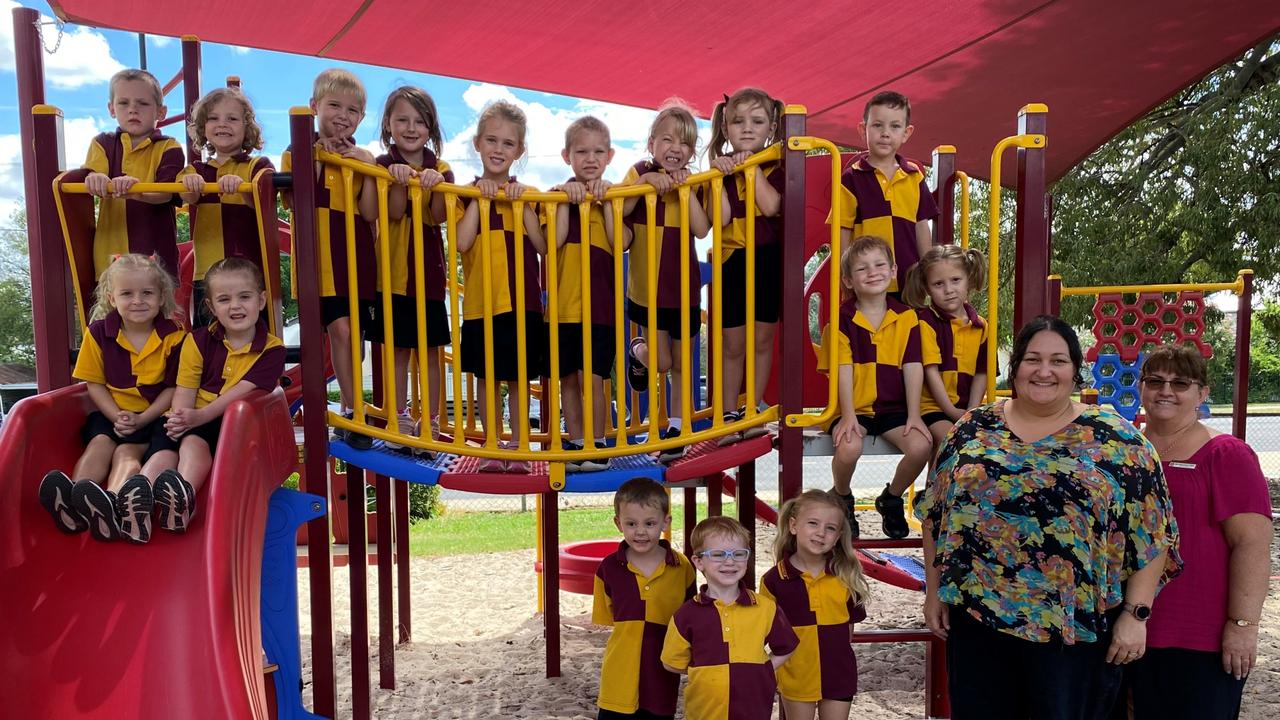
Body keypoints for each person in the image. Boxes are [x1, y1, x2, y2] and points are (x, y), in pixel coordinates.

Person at [916, 315, 1182, 720]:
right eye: (1032, 359)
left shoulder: (1119, 440)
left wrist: (1136, 616)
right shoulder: (971, 430)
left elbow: (1153, 534)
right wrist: (934, 591)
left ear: (1075, 370)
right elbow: (936, 514)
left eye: (1058, 361)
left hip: (1073, 634)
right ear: (1015, 366)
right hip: (977, 622)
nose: (1044, 371)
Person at [1123, 345, 1272, 719]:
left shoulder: (1226, 454)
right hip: (1125, 629)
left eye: (1180, 383)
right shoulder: (1125, 451)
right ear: (1141, 387)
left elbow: (1252, 545)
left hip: (1197, 637)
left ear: (1202, 393)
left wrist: (1243, 625)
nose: (1165, 391)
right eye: (1155, 381)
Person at [38, 254, 185, 544]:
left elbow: (174, 388)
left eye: (147, 293)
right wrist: (115, 414)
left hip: (152, 416)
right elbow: (94, 384)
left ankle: (112, 502)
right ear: (111, 297)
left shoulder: (174, 336)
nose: (137, 301)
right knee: (99, 443)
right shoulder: (99, 334)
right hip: (112, 412)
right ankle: (77, 498)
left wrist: (143, 418)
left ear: (161, 296)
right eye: (127, 293)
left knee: (126, 454)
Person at [135, 257, 286, 535]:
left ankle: (182, 499)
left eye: (245, 297)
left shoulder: (271, 350)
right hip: (190, 414)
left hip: (231, 425)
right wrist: (180, 418)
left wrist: (197, 419)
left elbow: (242, 390)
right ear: (211, 307)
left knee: (193, 445)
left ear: (261, 300)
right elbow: (185, 386)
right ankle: (138, 500)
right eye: (224, 299)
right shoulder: (197, 341)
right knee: (163, 452)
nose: (235, 306)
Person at [281, 68, 379, 449]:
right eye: (334, 105)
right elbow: (294, 200)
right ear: (314, 107)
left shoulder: (360, 158)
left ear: (361, 118)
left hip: (354, 261)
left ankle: (352, 411)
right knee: (331, 334)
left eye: (352, 110)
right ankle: (348, 412)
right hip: (317, 264)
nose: (343, 115)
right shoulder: (296, 152)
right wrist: (317, 157)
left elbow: (369, 211)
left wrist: (367, 165)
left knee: (352, 337)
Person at [816, 235, 932, 539]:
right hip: (856, 406)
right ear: (848, 280)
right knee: (850, 445)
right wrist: (849, 416)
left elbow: (912, 366)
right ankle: (842, 495)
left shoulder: (907, 317)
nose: (873, 272)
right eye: (862, 269)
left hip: (895, 408)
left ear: (894, 271)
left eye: (880, 265)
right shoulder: (842, 319)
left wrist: (915, 415)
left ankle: (891, 497)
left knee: (922, 445)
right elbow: (842, 369)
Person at [454, 100, 547, 473]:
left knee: (518, 377)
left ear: (519, 152)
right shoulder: (464, 195)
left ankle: (519, 445)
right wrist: (480, 200)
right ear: (477, 143)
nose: (498, 150)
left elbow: (541, 245)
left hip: (524, 302)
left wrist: (522, 204)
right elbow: (461, 242)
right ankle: (492, 445)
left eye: (508, 144)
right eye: (491, 141)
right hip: (482, 303)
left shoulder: (529, 195)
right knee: (487, 376)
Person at [619, 100, 712, 463]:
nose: (676, 149)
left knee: (680, 363)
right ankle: (637, 350)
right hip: (647, 290)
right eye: (668, 140)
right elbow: (620, 208)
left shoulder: (693, 183)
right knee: (659, 362)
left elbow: (702, 228)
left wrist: (684, 191)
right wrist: (644, 184)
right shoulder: (638, 171)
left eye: (685, 143)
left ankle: (676, 427)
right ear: (651, 143)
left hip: (684, 290)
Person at [372, 86, 455, 455]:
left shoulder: (441, 168)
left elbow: (438, 215)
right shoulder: (380, 164)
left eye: (419, 121)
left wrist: (433, 187)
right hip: (391, 274)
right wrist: (400, 182)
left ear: (431, 128)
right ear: (389, 125)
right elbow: (390, 211)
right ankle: (400, 416)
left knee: (431, 351)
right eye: (402, 119)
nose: (411, 127)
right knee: (399, 350)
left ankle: (433, 422)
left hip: (429, 275)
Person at [546, 116, 630, 471]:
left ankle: (597, 444)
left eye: (598, 151)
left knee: (593, 378)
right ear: (567, 156)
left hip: (600, 310)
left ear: (610, 155)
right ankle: (577, 441)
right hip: (562, 309)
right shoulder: (554, 198)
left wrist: (606, 203)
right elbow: (554, 241)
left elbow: (621, 242)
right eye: (582, 151)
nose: (590, 158)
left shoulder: (614, 200)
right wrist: (567, 199)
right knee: (567, 377)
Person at [706, 87, 785, 445]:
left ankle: (752, 408)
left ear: (771, 126)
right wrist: (718, 176)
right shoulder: (719, 168)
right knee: (732, 342)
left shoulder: (778, 163)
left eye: (757, 121)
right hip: (731, 259)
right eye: (738, 121)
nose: (747, 128)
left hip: (767, 257)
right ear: (726, 125)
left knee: (763, 337)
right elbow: (718, 218)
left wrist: (750, 168)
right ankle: (726, 414)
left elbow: (770, 207)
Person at [661, 516, 797, 720]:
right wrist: (705, 672)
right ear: (698, 561)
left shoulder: (765, 608)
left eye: (739, 554)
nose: (730, 561)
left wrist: (763, 668)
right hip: (705, 711)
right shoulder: (686, 615)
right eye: (717, 554)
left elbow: (787, 646)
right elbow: (671, 663)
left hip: (754, 710)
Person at [760, 490, 870, 720]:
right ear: (793, 525)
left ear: (839, 535)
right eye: (813, 523)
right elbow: (768, 633)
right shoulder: (774, 580)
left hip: (839, 673)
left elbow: (847, 631)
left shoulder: (845, 576)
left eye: (830, 528)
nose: (821, 533)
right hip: (797, 675)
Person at [592, 478, 696, 720]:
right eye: (631, 523)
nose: (640, 531)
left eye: (650, 523)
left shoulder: (681, 567)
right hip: (618, 675)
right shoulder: (608, 568)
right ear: (618, 523)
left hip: (662, 674)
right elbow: (608, 618)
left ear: (665, 521)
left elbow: (689, 617)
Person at [825, 90, 938, 296]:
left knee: (908, 328)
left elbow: (922, 228)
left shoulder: (914, 177)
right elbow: (842, 232)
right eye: (877, 125)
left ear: (906, 132)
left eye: (895, 126)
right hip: (868, 281)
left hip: (908, 280)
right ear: (863, 130)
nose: (885, 133)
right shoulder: (852, 178)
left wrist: (929, 274)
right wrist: (846, 279)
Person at [179, 87, 275, 327]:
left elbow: (266, 203)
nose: (223, 124)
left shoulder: (256, 166)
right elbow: (186, 195)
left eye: (232, 119)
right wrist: (191, 185)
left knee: (252, 332)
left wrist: (244, 190)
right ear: (203, 128)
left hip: (248, 272)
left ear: (247, 128)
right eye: (213, 118)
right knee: (208, 337)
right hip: (208, 275)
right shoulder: (197, 170)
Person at [82, 68, 184, 278]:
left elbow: (166, 192)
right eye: (123, 103)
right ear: (111, 109)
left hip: (155, 254)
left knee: (155, 307)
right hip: (110, 254)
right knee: (112, 308)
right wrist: (96, 178)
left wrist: (135, 192)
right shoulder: (102, 143)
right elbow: (93, 174)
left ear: (160, 112)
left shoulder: (168, 147)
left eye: (143, 103)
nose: (133, 110)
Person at [901, 244, 989, 451]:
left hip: (965, 406)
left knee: (985, 443)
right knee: (950, 441)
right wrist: (951, 411)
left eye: (956, 280)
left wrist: (971, 410)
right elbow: (930, 371)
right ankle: (937, 484)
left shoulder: (981, 326)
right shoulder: (926, 322)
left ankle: (940, 484)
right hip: (933, 407)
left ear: (968, 278)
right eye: (938, 284)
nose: (949, 290)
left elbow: (982, 372)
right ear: (927, 288)